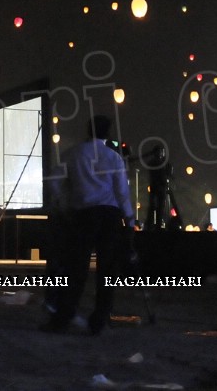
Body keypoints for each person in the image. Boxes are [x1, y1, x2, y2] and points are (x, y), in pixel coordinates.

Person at [42, 115, 133, 336]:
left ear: (88, 130)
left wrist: (64, 202)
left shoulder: (73, 154)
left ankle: (63, 316)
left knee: (76, 268)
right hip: (109, 215)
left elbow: (53, 181)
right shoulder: (113, 158)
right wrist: (129, 218)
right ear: (108, 133)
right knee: (106, 270)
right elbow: (122, 191)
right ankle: (99, 320)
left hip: (82, 215)